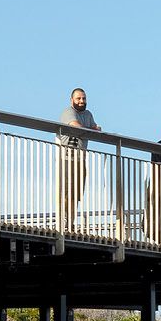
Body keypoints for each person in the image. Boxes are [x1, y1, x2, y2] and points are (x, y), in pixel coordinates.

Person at [56, 87, 97, 233]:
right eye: (79, 98)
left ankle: (70, 223)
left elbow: (96, 128)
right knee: (66, 192)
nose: (81, 101)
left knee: (76, 194)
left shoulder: (88, 114)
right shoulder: (68, 112)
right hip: (67, 158)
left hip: (80, 159)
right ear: (72, 100)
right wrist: (90, 130)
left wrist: (91, 129)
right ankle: (63, 221)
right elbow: (76, 126)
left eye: (84, 98)